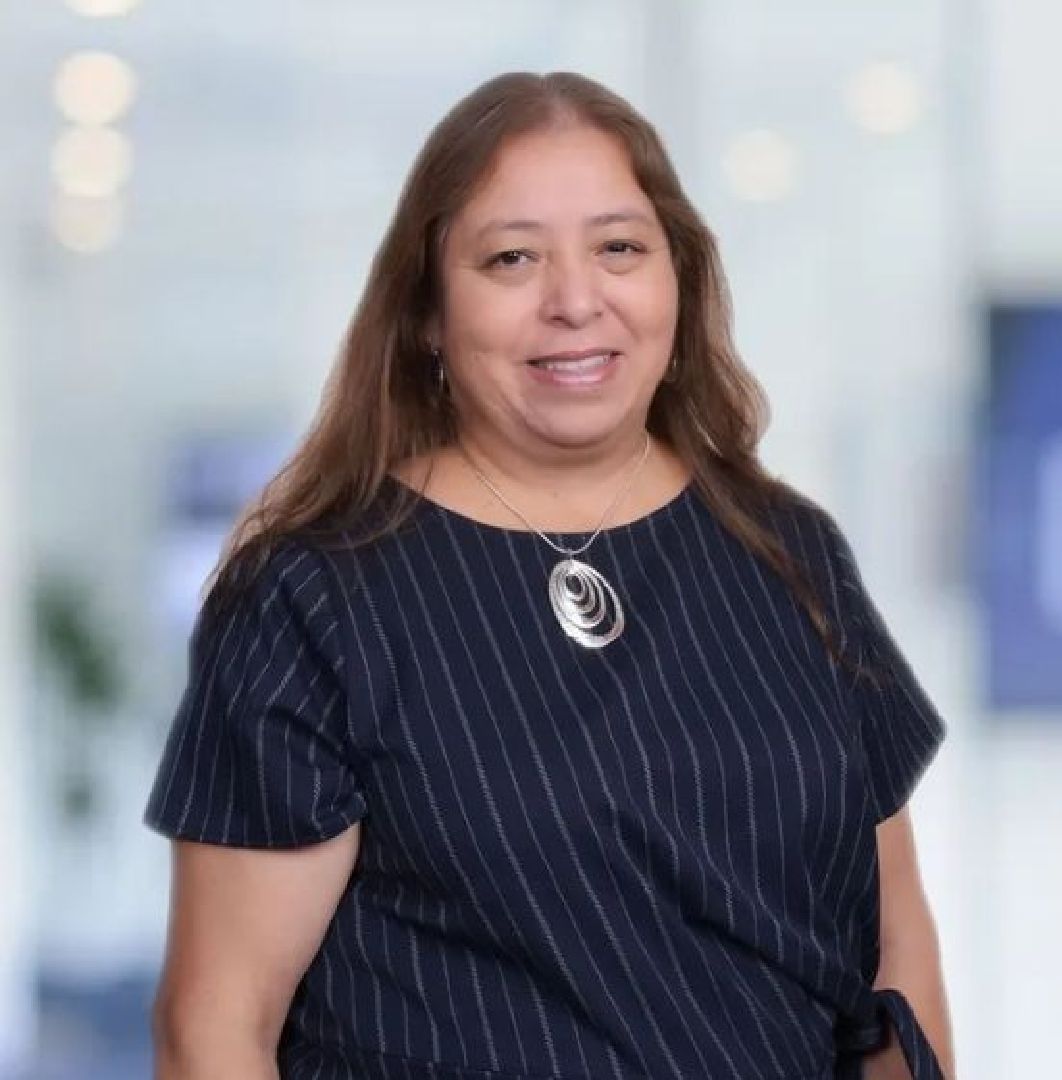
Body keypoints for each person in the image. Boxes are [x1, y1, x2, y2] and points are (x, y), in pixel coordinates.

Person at [143, 71, 955, 1080]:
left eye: (619, 247)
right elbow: (216, 1029)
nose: (576, 302)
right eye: (512, 258)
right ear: (429, 313)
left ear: (678, 282)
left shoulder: (790, 552)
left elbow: (895, 954)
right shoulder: (313, 597)